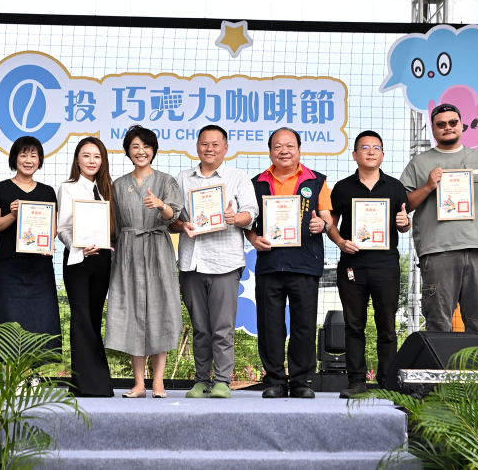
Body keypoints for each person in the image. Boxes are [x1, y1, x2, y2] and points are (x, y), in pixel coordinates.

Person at [401, 103, 478, 332]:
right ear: (433, 129)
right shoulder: (419, 164)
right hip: (437, 252)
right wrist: (428, 186)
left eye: (452, 122)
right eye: (441, 124)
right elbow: (403, 204)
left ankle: (476, 359)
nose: (447, 127)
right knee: (438, 325)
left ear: (461, 125)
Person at [170, 125, 258, 399]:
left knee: (222, 328)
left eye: (215, 144)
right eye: (204, 144)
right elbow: (173, 219)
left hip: (225, 263)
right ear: (197, 147)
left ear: (225, 148)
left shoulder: (237, 177)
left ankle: (221, 381)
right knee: (199, 328)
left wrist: (235, 218)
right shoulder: (183, 178)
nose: (209, 149)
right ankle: (201, 381)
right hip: (191, 263)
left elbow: (251, 212)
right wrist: (183, 224)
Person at [244, 127, 333, 399]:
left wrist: (323, 224)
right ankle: (274, 380)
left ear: (299, 149)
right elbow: (248, 223)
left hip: (304, 263)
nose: (284, 151)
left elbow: (328, 217)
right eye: (278, 146)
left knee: (303, 324)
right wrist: (254, 239)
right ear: (270, 151)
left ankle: (301, 381)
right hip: (269, 264)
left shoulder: (316, 181)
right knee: (269, 325)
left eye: (290, 145)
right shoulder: (256, 183)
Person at [327, 131, 410, 398]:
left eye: (376, 147)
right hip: (352, 266)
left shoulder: (395, 187)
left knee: (387, 326)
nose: (371, 151)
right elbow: (330, 224)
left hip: (386, 266)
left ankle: (387, 381)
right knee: (354, 326)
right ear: (355, 155)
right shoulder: (342, 188)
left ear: (383, 155)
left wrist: (405, 224)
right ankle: (356, 381)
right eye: (364, 147)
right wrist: (341, 242)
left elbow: (404, 223)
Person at [105, 125, 184, 399]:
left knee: (160, 311)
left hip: (158, 249)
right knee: (132, 313)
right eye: (135, 146)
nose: (141, 151)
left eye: (146, 146)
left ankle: (158, 382)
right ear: (128, 151)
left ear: (154, 150)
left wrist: (161, 205)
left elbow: (174, 216)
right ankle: (139, 383)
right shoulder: (118, 185)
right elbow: (112, 226)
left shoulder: (166, 180)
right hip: (128, 252)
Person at [0, 136, 61, 353]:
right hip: (8, 266)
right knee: (7, 322)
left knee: (44, 322)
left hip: (40, 268)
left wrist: (48, 241)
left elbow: (52, 229)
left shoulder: (47, 192)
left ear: (40, 160)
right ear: (14, 158)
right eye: (23, 155)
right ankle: (8, 371)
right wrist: (12, 215)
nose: (28, 160)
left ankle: (41, 370)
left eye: (33, 156)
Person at [57, 137, 115, 397]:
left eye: (97, 156)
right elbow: (62, 228)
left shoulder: (107, 189)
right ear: (77, 160)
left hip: (102, 260)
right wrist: (78, 246)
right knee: (80, 316)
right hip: (78, 260)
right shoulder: (68, 188)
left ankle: (89, 382)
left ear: (103, 161)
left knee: (94, 317)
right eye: (86, 155)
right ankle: (91, 384)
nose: (92, 161)